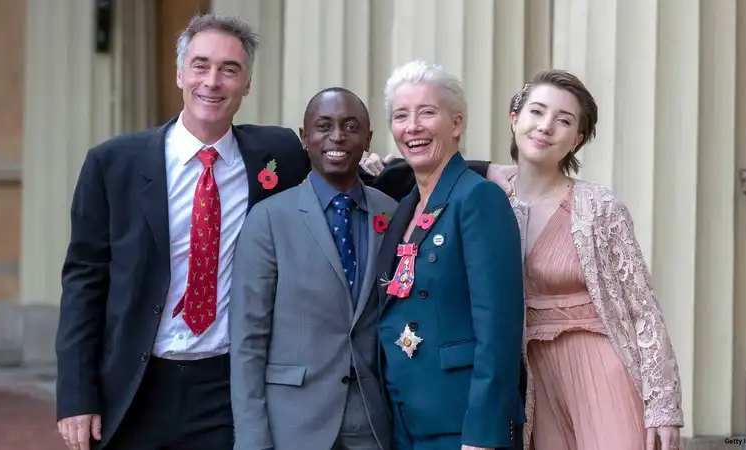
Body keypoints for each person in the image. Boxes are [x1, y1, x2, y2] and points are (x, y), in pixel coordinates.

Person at [54, 12, 511, 450]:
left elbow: (368, 172)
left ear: (247, 83)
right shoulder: (114, 163)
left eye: (229, 70)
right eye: (201, 66)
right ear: (180, 75)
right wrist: (76, 393)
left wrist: (487, 170)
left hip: (221, 384)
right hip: (138, 382)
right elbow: (84, 281)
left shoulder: (272, 153)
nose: (213, 82)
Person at [505, 69, 684, 450]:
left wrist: (663, 408)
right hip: (536, 380)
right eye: (537, 112)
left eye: (564, 120)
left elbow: (643, 310)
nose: (546, 126)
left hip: (604, 369)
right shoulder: (489, 202)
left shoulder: (599, 207)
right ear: (514, 118)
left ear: (578, 141)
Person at [229, 87, 396, 450]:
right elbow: (248, 340)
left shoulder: (392, 214)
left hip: (372, 422)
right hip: (293, 423)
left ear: (368, 139)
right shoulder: (268, 220)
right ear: (305, 138)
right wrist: (252, 437)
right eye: (324, 126)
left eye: (350, 126)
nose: (337, 136)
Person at [375, 60, 525, 450]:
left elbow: (499, 330)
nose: (413, 127)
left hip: (461, 426)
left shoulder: (478, 198)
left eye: (427, 112)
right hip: (405, 419)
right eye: (401, 116)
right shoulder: (405, 206)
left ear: (456, 123)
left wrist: (483, 434)